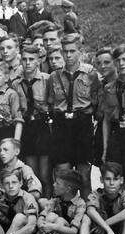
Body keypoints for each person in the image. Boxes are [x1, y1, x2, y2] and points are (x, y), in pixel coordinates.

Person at [48, 33, 101, 200]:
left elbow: (97, 101)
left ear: (80, 51)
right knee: (62, 176)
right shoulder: (54, 76)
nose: (68, 55)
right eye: (65, 51)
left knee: (84, 175)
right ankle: (66, 215)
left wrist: (87, 113)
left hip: (82, 125)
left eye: (72, 51)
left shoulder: (91, 74)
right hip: (61, 125)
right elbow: (50, 103)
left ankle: (88, 214)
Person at [12, 45, 52, 197]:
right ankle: (34, 206)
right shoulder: (16, 83)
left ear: (38, 61)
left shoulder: (47, 80)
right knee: (32, 174)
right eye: (24, 59)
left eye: (31, 59)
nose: (27, 63)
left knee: (45, 174)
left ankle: (48, 204)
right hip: (27, 127)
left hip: (43, 126)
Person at [28, 169, 85, 234]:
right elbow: (42, 216)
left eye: (57, 183)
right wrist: (43, 228)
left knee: (60, 220)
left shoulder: (80, 204)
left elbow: (73, 232)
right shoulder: (56, 200)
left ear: (68, 189)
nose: (54, 185)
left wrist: (52, 227)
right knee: (51, 216)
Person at [78, 162, 125, 234]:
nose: (111, 183)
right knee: (86, 217)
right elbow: (90, 210)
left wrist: (104, 225)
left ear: (121, 180)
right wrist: (108, 230)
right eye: (107, 179)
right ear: (101, 180)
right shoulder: (95, 194)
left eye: (115, 179)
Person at [102, 44, 125, 190]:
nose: (121, 63)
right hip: (116, 136)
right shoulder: (109, 88)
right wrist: (105, 147)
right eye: (118, 60)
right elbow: (106, 120)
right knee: (114, 176)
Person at [93, 47, 116, 168]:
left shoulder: (122, 84)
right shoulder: (99, 84)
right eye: (99, 63)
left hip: (118, 128)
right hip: (102, 129)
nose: (102, 66)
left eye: (107, 62)